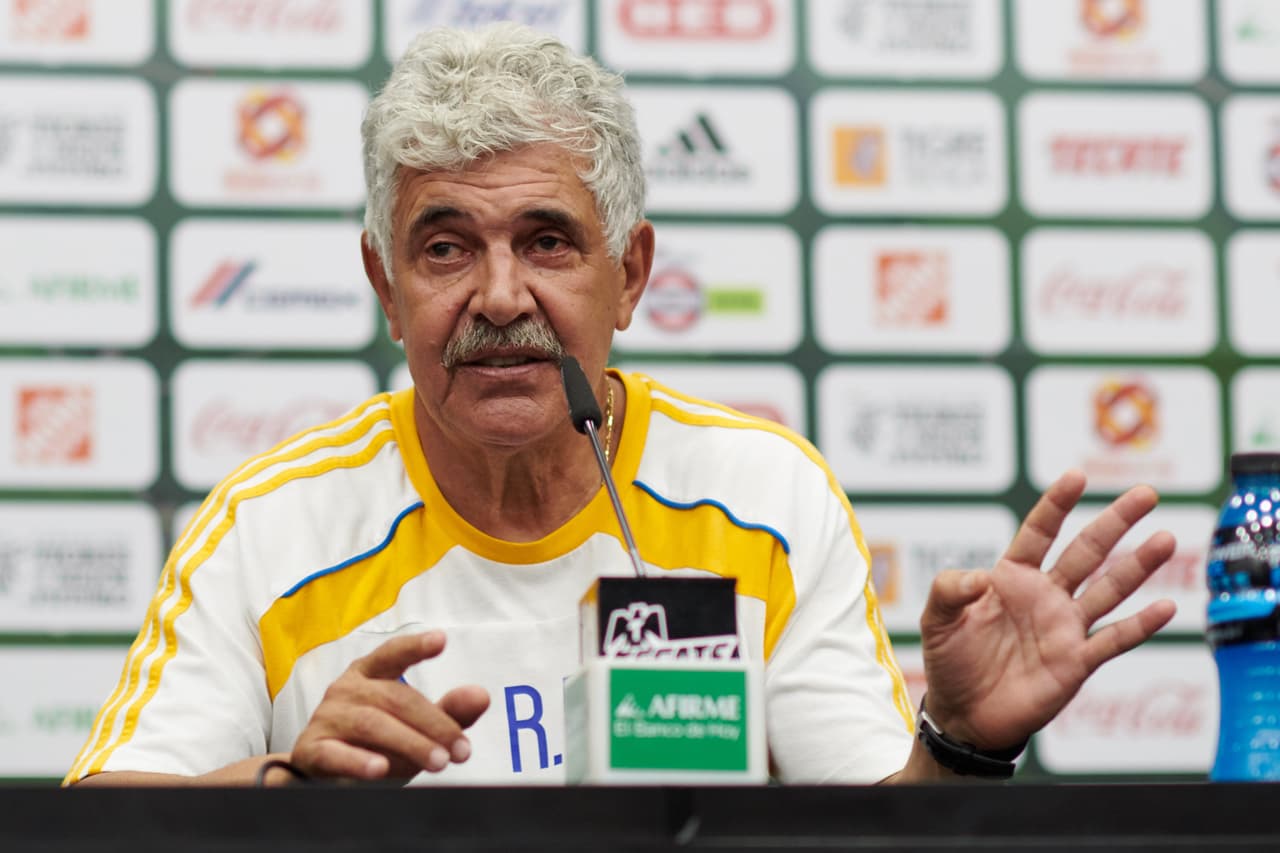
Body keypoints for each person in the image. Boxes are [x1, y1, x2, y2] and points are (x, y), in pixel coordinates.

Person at [65, 23, 1176, 787]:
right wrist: (285, 790)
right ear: (384, 287)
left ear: (632, 275)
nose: (502, 297)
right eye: (445, 247)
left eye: (547, 241)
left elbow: (868, 827)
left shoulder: (759, 495)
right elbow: (101, 824)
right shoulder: (269, 524)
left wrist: (961, 747)